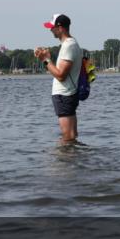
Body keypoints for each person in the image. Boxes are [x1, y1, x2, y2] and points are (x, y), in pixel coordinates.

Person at [34, 13, 82, 142]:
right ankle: (73, 160)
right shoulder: (70, 44)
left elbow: (61, 75)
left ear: (60, 28)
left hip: (64, 95)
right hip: (67, 94)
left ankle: (65, 160)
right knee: (71, 135)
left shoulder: (68, 45)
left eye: (52, 27)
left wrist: (44, 60)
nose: (50, 30)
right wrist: (47, 59)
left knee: (68, 136)